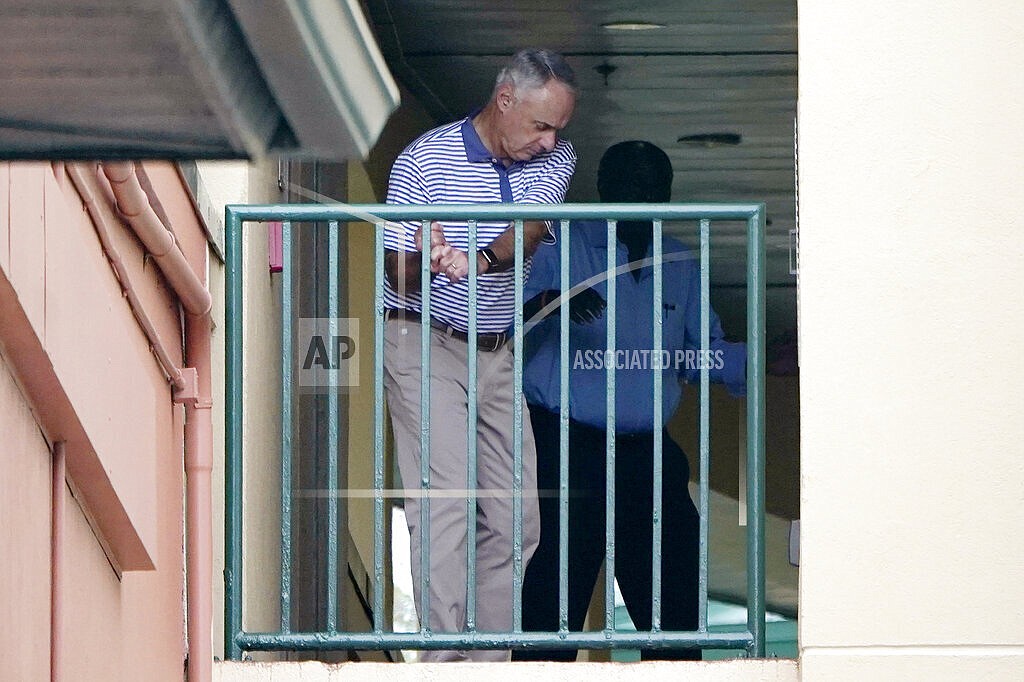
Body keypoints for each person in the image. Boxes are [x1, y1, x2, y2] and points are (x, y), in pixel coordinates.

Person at [512, 140, 746, 661]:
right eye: (629, 184)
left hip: (646, 451)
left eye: (653, 187)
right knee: (553, 599)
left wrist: (766, 362)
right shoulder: (560, 244)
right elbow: (503, 321)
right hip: (565, 446)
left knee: (674, 597)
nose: (641, 196)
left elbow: (699, 352)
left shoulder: (679, 259)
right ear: (604, 187)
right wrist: (550, 303)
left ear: (667, 195)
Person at [381, 49, 578, 662]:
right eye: (541, 126)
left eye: (558, 130)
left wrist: (477, 260)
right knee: (445, 510)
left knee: (519, 521)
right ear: (505, 100)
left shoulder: (555, 160)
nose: (549, 143)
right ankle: (445, 666)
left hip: (496, 352)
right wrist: (425, 253)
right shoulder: (421, 162)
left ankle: (488, 666)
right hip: (424, 340)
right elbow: (398, 276)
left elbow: (528, 229)